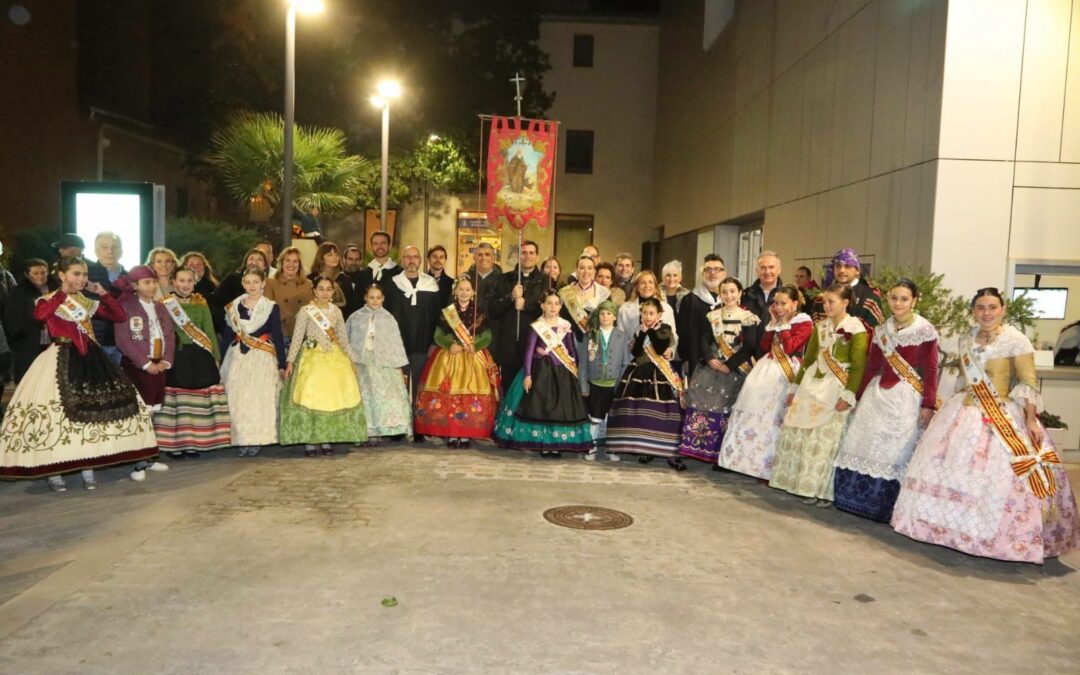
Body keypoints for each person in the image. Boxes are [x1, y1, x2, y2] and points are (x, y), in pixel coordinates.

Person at [891, 288, 1080, 564]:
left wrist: (1030, 419)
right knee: (948, 466)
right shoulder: (967, 337)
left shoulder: (1016, 340)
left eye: (992, 307)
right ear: (973, 311)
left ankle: (995, 538)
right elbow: (965, 379)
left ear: (1002, 309)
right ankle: (944, 529)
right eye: (980, 307)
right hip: (964, 411)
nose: (986, 313)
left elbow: (1027, 383)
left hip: (1001, 413)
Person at [0, 257, 158, 491]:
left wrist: (103, 293)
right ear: (62, 275)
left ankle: (88, 468)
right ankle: (55, 473)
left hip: (91, 358)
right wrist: (62, 293)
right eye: (76, 274)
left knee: (92, 414)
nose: (81, 279)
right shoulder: (48, 298)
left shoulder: (85, 300)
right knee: (58, 416)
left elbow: (118, 316)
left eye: (84, 274)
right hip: (60, 357)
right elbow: (40, 316)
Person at [832, 280, 939, 522]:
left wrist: (928, 404)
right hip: (876, 396)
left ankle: (883, 507)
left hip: (906, 398)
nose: (898, 303)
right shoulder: (882, 330)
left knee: (894, 451)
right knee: (862, 442)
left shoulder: (925, 330)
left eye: (904, 299)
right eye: (894, 298)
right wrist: (856, 397)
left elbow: (931, 369)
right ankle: (853, 500)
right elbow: (872, 366)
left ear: (914, 301)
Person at [770, 283, 869, 506]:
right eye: (824, 301)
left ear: (845, 303)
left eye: (831, 302)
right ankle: (801, 485)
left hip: (837, 388)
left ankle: (822, 491)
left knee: (826, 441)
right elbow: (809, 359)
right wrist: (795, 388)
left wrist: (849, 394)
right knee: (804, 436)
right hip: (812, 384)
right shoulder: (820, 326)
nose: (826, 306)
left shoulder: (856, 328)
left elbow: (858, 365)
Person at [717, 286, 812, 479]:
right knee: (753, 410)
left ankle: (767, 466)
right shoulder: (776, 319)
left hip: (787, 370)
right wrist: (773, 322)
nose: (778, 307)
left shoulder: (804, 322)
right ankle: (742, 460)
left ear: (795, 304)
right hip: (766, 367)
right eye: (776, 303)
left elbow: (791, 346)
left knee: (774, 416)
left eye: (783, 303)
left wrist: (784, 324)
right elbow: (764, 346)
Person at [494, 289, 592, 457]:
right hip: (541, 372)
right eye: (549, 303)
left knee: (561, 409)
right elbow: (528, 352)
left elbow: (571, 351)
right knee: (543, 407)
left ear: (561, 306)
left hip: (563, 372)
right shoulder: (536, 327)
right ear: (542, 306)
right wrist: (527, 375)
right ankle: (545, 444)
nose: (553, 307)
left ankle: (556, 444)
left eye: (556, 303)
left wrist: (574, 370)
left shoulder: (565, 326)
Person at [678, 278, 761, 466]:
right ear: (720, 294)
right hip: (711, 366)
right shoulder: (712, 316)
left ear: (740, 293)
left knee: (727, 407)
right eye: (725, 291)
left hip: (736, 368)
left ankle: (721, 455)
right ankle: (697, 448)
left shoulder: (749, 318)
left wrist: (729, 365)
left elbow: (749, 346)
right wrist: (709, 358)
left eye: (733, 291)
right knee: (699, 399)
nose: (729, 295)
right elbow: (704, 339)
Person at [280, 277, 366, 456]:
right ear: (314, 291)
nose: (325, 292)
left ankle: (326, 437)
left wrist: (352, 359)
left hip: (334, 358)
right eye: (321, 289)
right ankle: (310, 441)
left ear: (333, 292)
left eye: (328, 289)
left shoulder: (336, 312)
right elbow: (297, 337)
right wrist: (290, 361)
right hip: (312, 358)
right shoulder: (306, 311)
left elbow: (342, 339)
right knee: (310, 397)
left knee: (331, 398)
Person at [414, 276, 500, 448]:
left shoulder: (479, 313)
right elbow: (438, 335)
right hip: (449, 358)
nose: (464, 293)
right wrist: (449, 344)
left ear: (473, 292)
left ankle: (466, 435)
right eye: (461, 289)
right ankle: (452, 434)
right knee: (451, 394)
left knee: (468, 394)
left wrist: (475, 345)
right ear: (455, 292)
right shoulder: (448, 312)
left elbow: (487, 336)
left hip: (472, 358)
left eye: (468, 289)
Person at [155, 267, 231, 458]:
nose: (185, 285)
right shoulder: (165, 304)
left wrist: (215, 356)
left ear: (194, 282)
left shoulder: (201, 302)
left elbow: (210, 330)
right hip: (177, 356)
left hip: (200, 356)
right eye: (181, 280)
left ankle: (193, 442)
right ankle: (175, 444)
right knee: (177, 403)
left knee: (196, 403)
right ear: (173, 282)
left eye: (189, 281)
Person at [604, 297, 685, 468]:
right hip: (639, 370)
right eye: (644, 313)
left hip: (660, 373)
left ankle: (669, 451)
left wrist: (648, 331)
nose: (647, 317)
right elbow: (636, 350)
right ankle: (645, 449)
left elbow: (660, 348)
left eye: (651, 313)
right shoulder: (638, 330)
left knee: (664, 412)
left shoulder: (664, 329)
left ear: (659, 314)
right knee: (639, 412)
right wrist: (641, 333)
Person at [220, 267, 287, 456]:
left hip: (262, 357)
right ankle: (241, 439)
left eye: (256, 282)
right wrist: (221, 358)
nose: (252, 286)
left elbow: (278, 336)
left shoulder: (270, 307)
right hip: (238, 357)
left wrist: (282, 363)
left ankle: (257, 438)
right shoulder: (233, 307)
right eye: (248, 282)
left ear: (263, 283)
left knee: (259, 397)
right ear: (243, 284)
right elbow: (227, 335)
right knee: (238, 397)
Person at [347, 284, 413, 444]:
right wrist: (349, 360)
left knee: (383, 397)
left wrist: (398, 366)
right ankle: (366, 432)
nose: (375, 301)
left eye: (378, 297)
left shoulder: (388, 318)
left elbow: (395, 342)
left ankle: (381, 430)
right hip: (362, 362)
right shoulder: (355, 317)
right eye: (371, 297)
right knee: (365, 397)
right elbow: (347, 339)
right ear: (365, 297)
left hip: (384, 362)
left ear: (383, 298)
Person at [384, 245, 441, 415]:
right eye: (408, 257)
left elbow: (438, 316)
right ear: (402, 260)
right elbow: (385, 316)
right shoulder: (392, 285)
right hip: (397, 345)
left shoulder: (430, 285)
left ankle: (419, 426)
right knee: (398, 386)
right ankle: (399, 425)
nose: (411, 260)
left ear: (421, 261)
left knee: (420, 386)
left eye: (415, 257)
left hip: (423, 345)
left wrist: (434, 343)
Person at [488, 239, 547, 393]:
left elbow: (550, 310)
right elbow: (493, 310)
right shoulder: (503, 279)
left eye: (531, 253)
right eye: (524, 253)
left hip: (536, 344)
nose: (527, 256)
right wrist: (510, 297)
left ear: (537, 257)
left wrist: (526, 305)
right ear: (518, 257)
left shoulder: (547, 281)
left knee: (533, 388)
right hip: (509, 345)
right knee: (509, 387)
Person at [115, 265, 175, 412]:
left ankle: (152, 433)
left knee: (155, 404)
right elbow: (123, 340)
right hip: (137, 365)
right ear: (135, 285)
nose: (152, 286)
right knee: (140, 405)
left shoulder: (160, 306)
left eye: (154, 282)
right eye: (146, 282)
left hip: (159, 364)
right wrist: (146, 364)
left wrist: (165, 361)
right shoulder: (125, 306)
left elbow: (170, 335)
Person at [577, 300, 630, 461]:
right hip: (595, 383)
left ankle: (611, 448)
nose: (605, 316)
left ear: (614, 316)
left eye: (608, 313)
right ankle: (591, 447)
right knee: (594, 417)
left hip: (613, 384)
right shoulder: (590, 335)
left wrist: (621, 384)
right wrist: (584, 385)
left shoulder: (622, 336)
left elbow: (625, 362)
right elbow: (583, 363)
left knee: (611, 418)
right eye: (602, 313)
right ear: (597, 316)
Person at [676, 255, 727, 378]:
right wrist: (686, 359)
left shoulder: (729, 300)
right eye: (708, 270)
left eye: (717, 269)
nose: (712, 273)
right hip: (696, 360)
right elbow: (682, 333)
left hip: (724, 362)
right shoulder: (690, 300)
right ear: (702, 274)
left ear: (724, 273)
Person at [811, 248, 884, 329]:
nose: (842, 270)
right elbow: (816, 331)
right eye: (838, 266)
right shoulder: (821, 298)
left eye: (847, 266)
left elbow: (874, 333)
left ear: (857, 271)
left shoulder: (870, 296)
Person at [3, 258, 49, 382]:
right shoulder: (19, 292)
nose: (40, 276)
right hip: (28, 344)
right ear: (27, 275)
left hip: (50, 342)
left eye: (43, 272)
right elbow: (11, 319)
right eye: (36, 273)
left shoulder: (53, 289)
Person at [86, 232, 126, 364]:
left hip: (124, 344)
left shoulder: (130, 277)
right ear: (96, 251)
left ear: (121, 251)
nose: (110, 251)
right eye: (104, 247)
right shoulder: (86, 276)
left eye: (114, 247)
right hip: (95, 342)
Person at [559, 255, 611, 354]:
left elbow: (609, 320)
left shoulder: (603, 293)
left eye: (590, 268)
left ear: (594, 271)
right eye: (582, 268)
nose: (586, 272)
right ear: (576, 271)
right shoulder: (565, 292)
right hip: (569, 341)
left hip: (595, 342)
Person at [212, 248, 270, 335]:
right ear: (245, 263)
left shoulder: (270, 284)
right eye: (251, 259)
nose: (254, 262)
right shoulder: (232, 280)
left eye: (259, 259)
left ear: (265, 265)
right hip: (233, 332)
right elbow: (217, 304)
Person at [264, 247, 313, 343]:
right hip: (279, 335)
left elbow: (312, 310)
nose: (291, 264)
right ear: (282, 263)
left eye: (295, 261)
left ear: (299, 265)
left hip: (302, 335)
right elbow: (266, 311)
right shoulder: (270, 283)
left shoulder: (308, 284)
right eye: (288, 260)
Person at [617, 270, 678, 346]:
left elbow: (673, 335)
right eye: (643, 283)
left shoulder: (667, 309)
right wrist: (628, 345)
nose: (647, 286)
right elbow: (619, 336)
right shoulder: (624, 309)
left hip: (658, 355)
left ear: (655, 287)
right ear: (637, 287)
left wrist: (670, 350)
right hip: (631, 355)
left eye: (650, 282)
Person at [308, 241, 354, 312]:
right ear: (321, 258)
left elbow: (351, 306)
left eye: (336, 254)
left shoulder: (345, 279)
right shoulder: (311, 279)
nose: (334, 257)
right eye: (330, 255)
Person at [742, 251, 783, 324]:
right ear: (757, 271)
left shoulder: (788, 295)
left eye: (771, 267)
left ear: (779, 270)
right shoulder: (745, 295)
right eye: (763, 268)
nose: (767, 271)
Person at [356, 231, 398, 295]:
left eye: (383, 243)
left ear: (389, 245)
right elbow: (357, 301)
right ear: (372, 246)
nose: (379, 246)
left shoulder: (399, 272)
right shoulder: (362, 275)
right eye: (375, 243)